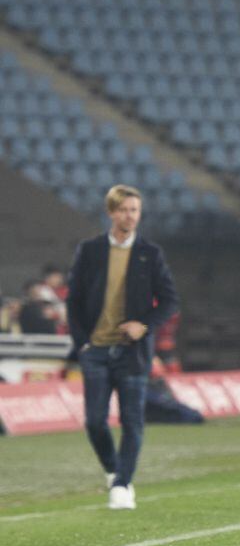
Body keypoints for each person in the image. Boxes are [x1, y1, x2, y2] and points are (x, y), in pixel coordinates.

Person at [66, 185, 179, 510]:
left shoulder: (150, 253)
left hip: (132, 353)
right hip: (96, 351)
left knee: (132, 421)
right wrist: (83, 343)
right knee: (95, 421)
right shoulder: (90, 250)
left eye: (135, 210)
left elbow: (170, 301)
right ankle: (114, 468)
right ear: (111, 212)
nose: (130, 216)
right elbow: (73, 301)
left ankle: (122, 484)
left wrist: (144, 325)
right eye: (125, 210)